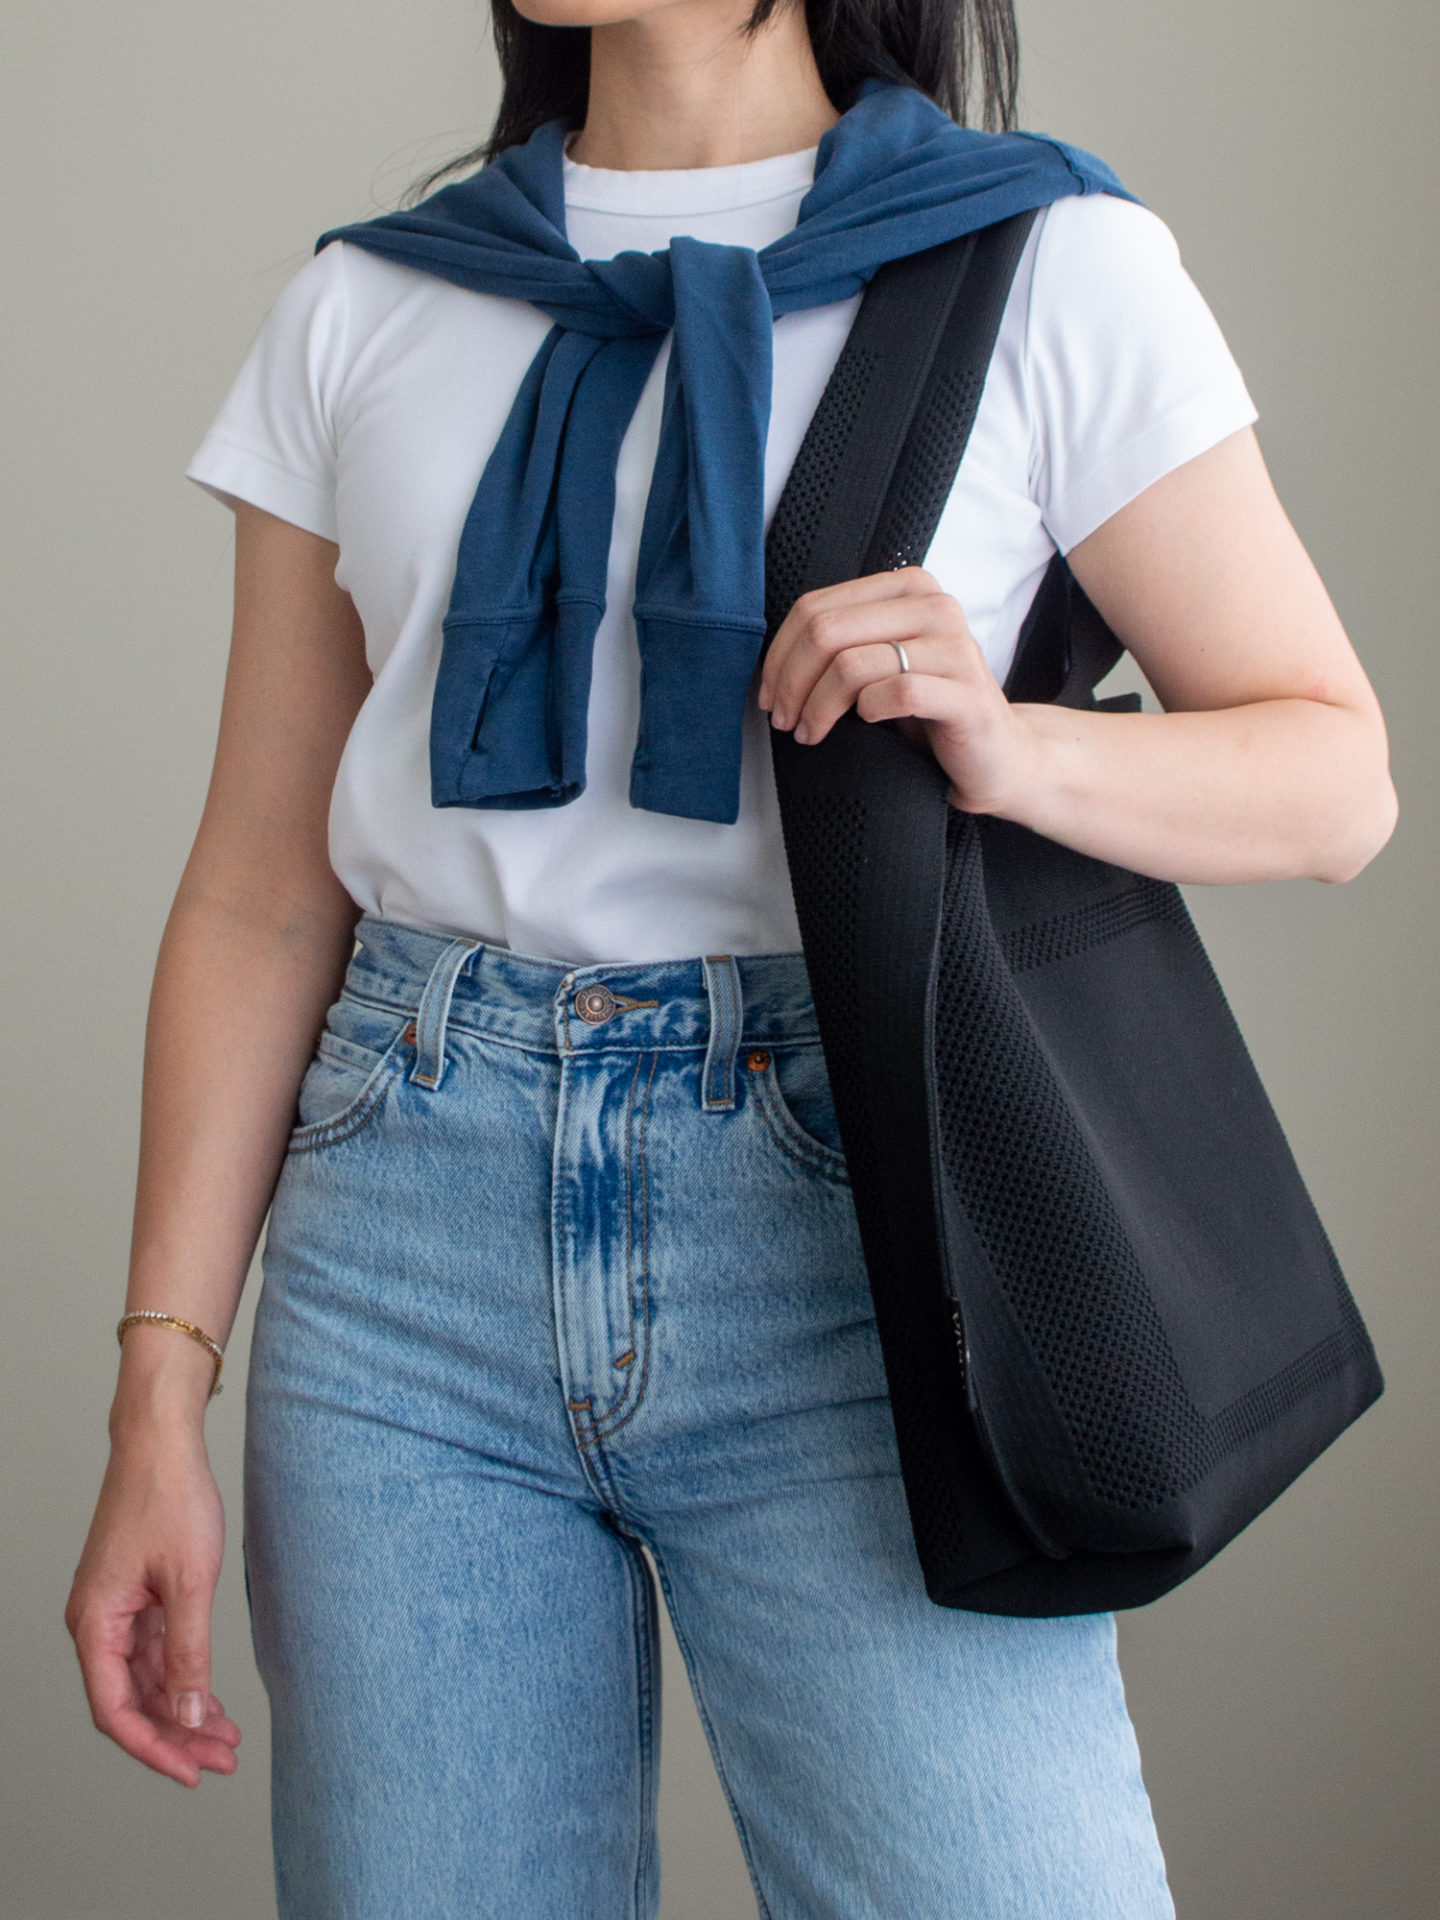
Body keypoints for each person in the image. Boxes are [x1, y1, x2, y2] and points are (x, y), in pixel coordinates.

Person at [64, 0, 1397, 1911]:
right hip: (401, 1250)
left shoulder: (1038, 260)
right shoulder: (374, 302)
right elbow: (265, 890)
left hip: (854, 1226)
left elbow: (1336, 778)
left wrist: (1012, 746)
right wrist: (155, 1400)